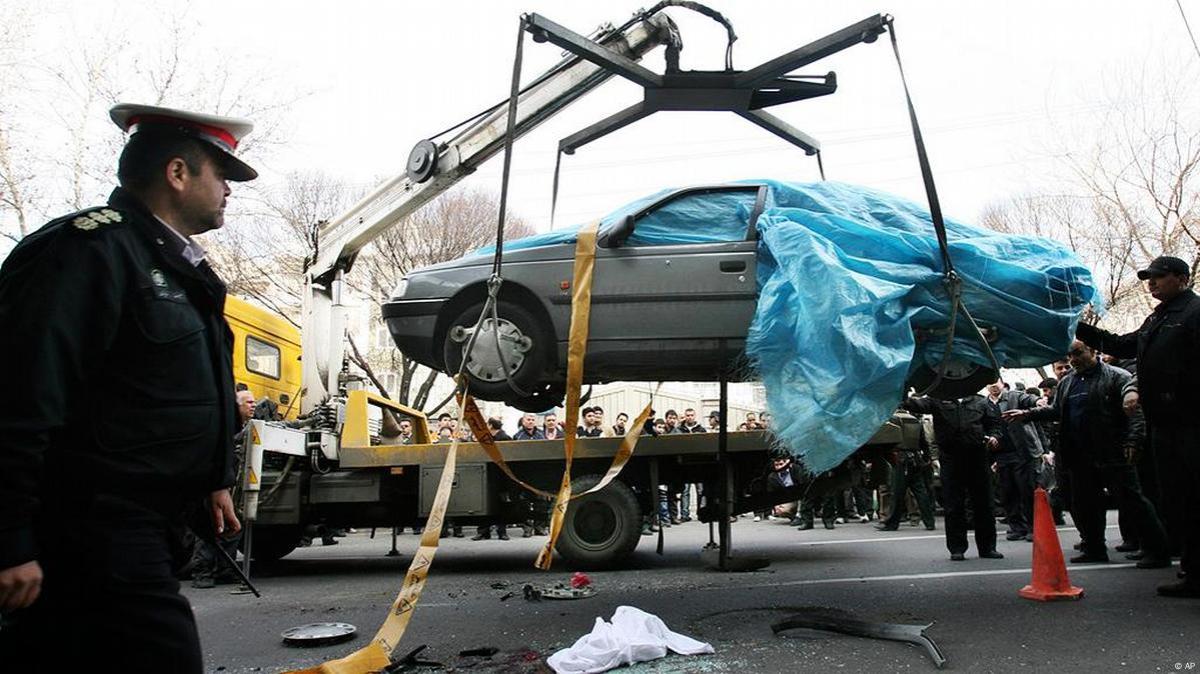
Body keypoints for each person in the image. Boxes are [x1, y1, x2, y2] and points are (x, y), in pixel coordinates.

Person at [0, 104, 255, 673]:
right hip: (95, 524)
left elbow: (173, 388)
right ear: (177, 173)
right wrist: (10, 538)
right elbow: (22, 395)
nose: (229, 191)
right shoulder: (88, 250)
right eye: (222, 175)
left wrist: (211, 480)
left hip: (150, 525)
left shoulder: (179, 268)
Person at [1074, 255, 1197, 598]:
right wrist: (1074, 324)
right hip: (1164, 426)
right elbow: (1117, 344)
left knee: (1194, 498)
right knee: (1177, 500)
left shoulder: (1193, 314)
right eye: (1149, 278)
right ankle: (1192, 572)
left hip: (1190, 423)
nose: (1152, 282)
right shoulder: (1156, 319)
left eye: (1159, 276)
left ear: (1181, 278)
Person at [1007, 340, 1170, 568]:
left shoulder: (1117, 376)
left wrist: (1134, 440)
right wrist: (1027, 413)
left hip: (1112, 451)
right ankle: (1094, 548)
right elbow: (1056, 410)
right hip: (1079, 454)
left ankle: (1157, 550)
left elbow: (1135, 412)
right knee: (1086, 504)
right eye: (1070, 356)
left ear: (1094, 351)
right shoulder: (1068, 383)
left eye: (1077, 353)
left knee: (1133, 501)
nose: (1073, 360)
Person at [902, 392, 1005, 561]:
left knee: (984, 504)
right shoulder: (938, 399)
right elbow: (914, 405)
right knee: (953, 504)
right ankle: (957, 548)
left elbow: (994, 425)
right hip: (950, 458)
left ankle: (988, 548)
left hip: (978, 457)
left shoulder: (981, 401)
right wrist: (902, 388)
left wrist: (994, 437)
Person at [190, 390, 256, 589]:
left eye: (254, 402)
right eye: (249, 402)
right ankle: (203, 572)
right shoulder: (222, 427)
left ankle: (225, 569)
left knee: (231, 526)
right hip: (212, 484)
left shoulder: (244, 427)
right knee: (211, 525)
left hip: (228, 484)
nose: (253, 405)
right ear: (236, 405)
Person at [985, 379, 1043, 541]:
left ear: (1002, 383)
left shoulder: (1014, 397)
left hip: (1022, 451)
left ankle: (1032, 526)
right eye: (990, 383)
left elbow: (1028, 399)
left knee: (1026, 490)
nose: (993, 385)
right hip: (1001, 455)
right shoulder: (985, 405)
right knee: (1008, 492)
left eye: (996, 381)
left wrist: (1038, 401)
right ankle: (1016, 527)